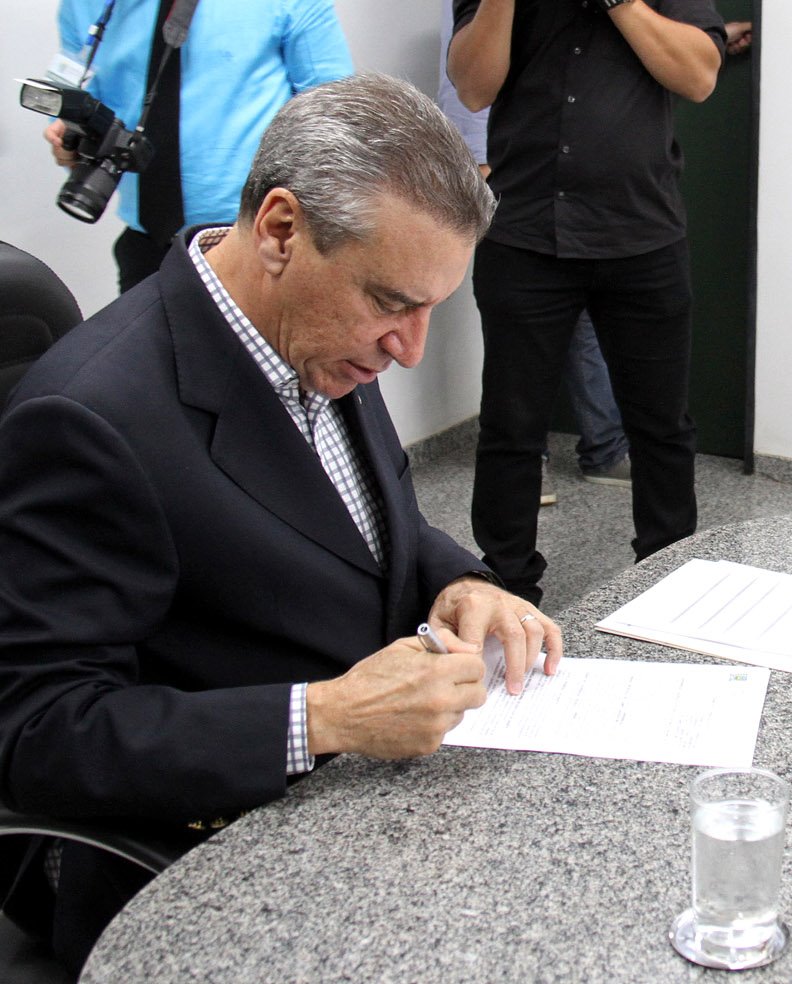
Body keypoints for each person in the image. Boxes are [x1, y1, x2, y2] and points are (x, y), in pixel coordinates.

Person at [0, 73, 562, 974]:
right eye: (393, 303)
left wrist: (460, 580)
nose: (411, 348)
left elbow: (358, 523)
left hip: (368, 808)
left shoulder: (312, 332)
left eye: (431, 308)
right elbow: (38, 732)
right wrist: (326, 716)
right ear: (280, 230)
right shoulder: (91, 418)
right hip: (214, 867)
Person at [448, 0, 726, 605]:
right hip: (524, 232)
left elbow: (699, 76)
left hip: (642, 232)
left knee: (661, 424)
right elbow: (472, 87)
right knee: (511, 424)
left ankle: (667, 580)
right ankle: (507, 588)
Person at [435, 0, 632, 506]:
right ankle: (531, 463)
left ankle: (605, 449)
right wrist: (481, 165)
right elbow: (467, 81)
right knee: (518, 333)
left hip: (567, 183)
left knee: (583, 320)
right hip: (509, 179)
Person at [44, 0, 352, 293]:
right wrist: (68, 137)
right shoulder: (83, 5)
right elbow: (76, 92)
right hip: (145, 245)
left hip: (256, 239)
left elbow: (335, 120)